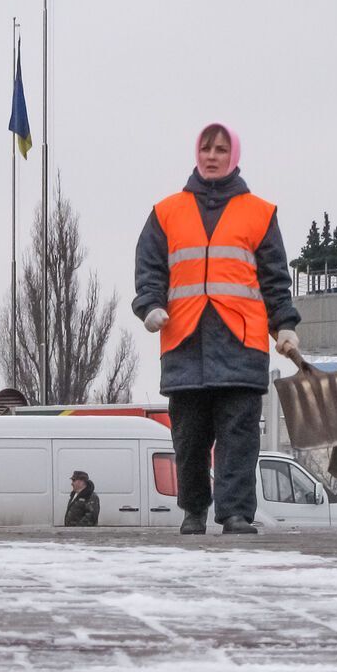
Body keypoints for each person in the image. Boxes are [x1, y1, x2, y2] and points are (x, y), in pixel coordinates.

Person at [134, 122, 301, 536]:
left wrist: (285, 325)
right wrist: (150, 305)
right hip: (184, 343)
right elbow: (150, 268)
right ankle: (193, 510)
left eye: (221, 149)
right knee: (189, 439)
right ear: (197, 154)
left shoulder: (260, 213)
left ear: (234, 156)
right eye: (206, 148)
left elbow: (275, 279)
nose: (212, 156)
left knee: (238, 437)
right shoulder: (166, 212)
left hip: (241, 344)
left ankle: (235, 513)